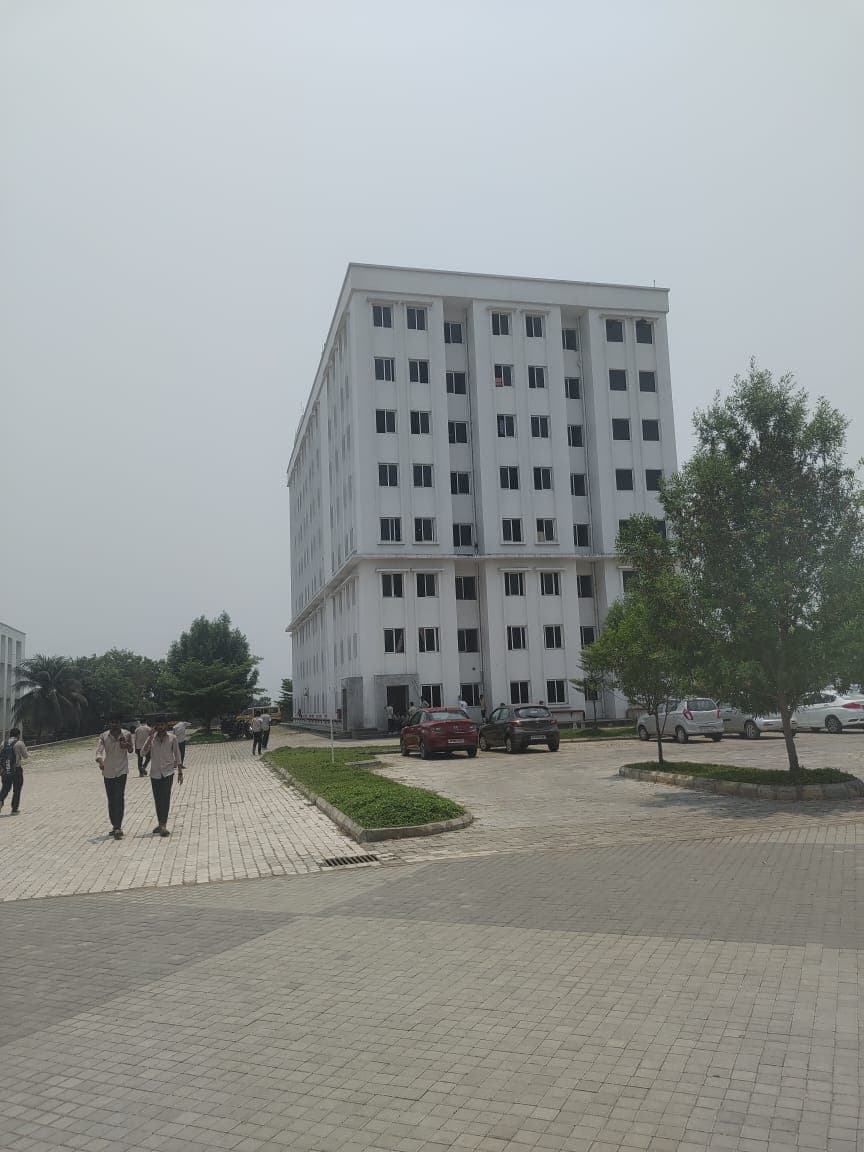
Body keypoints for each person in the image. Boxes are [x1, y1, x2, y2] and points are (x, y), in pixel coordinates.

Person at [142, 716, 183, 836]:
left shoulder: (172, 738)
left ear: (166, 725)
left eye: (162, 725)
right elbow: (142, 753)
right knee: (158, 800)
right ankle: (160, 823)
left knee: (165, 798)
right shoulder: (151, 739)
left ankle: (163, 825)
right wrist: (149, 739)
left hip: (168, 772)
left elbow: (177, 755)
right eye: (158, 725)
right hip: (155, 774)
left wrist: (180, 772)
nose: (160, 727)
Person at [96, 714, 132, 839]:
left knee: (119, 797)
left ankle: (118, 827)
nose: (114, 724)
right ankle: (114, 825)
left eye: (116, 722)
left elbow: (131, 750)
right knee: (111, 799)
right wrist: (100, 761)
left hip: (122, 770)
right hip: (108, 771)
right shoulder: (104, 736)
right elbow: (99, 751)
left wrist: (126, 745)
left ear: (120, 723)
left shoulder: (126, 734)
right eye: (112, 722)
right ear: (109, 723)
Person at [0, 728, 28, 815]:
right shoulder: (19, 743)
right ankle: (14, 809)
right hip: (16, 769)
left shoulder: (3, 743)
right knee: (17, 789)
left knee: (5, 788)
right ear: (18, 735)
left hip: (5, 769)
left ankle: (0, 800)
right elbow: (25, 756)